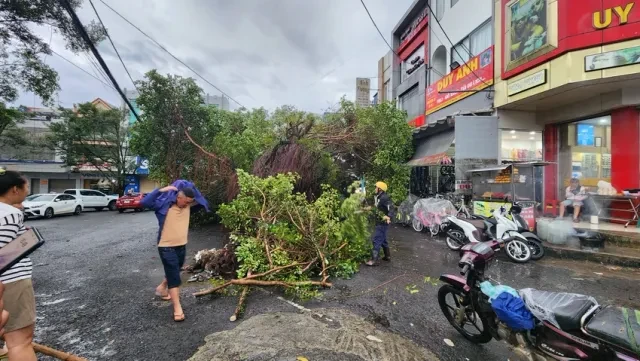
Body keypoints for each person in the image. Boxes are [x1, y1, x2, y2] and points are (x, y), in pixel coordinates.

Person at [142, 184, 207, 322]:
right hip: (166, 247)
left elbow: (203, 202)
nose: (189, 204)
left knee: (175, 271)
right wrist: (160, 190)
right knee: (174, 277)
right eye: (187, 201)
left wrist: (191, 187)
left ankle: (162, 287)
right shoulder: (164, 207)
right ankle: (177, 308)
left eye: (190, 202)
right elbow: (145, 202)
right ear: (179, 197)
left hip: (181, 246)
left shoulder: (189, 207)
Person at [0, 169, 36, 361]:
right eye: (26, 186)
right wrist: (25, 241)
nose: (27, 190)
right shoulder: (10, 214)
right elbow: (2, 256)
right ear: (15, 189)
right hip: (11, 282)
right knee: (20, 341)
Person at [366, 182, 395, 266]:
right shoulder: (379, 197)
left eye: (376, 187)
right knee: (383, 240)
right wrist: (370, 208)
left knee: (376, 240)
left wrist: (389, 216)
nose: (375, 189)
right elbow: (378, 208)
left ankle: (374, 260)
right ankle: (387, 256)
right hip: (379, 221)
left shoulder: (384, 198)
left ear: (380, 189)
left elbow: (391, 208)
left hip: (383, 223)